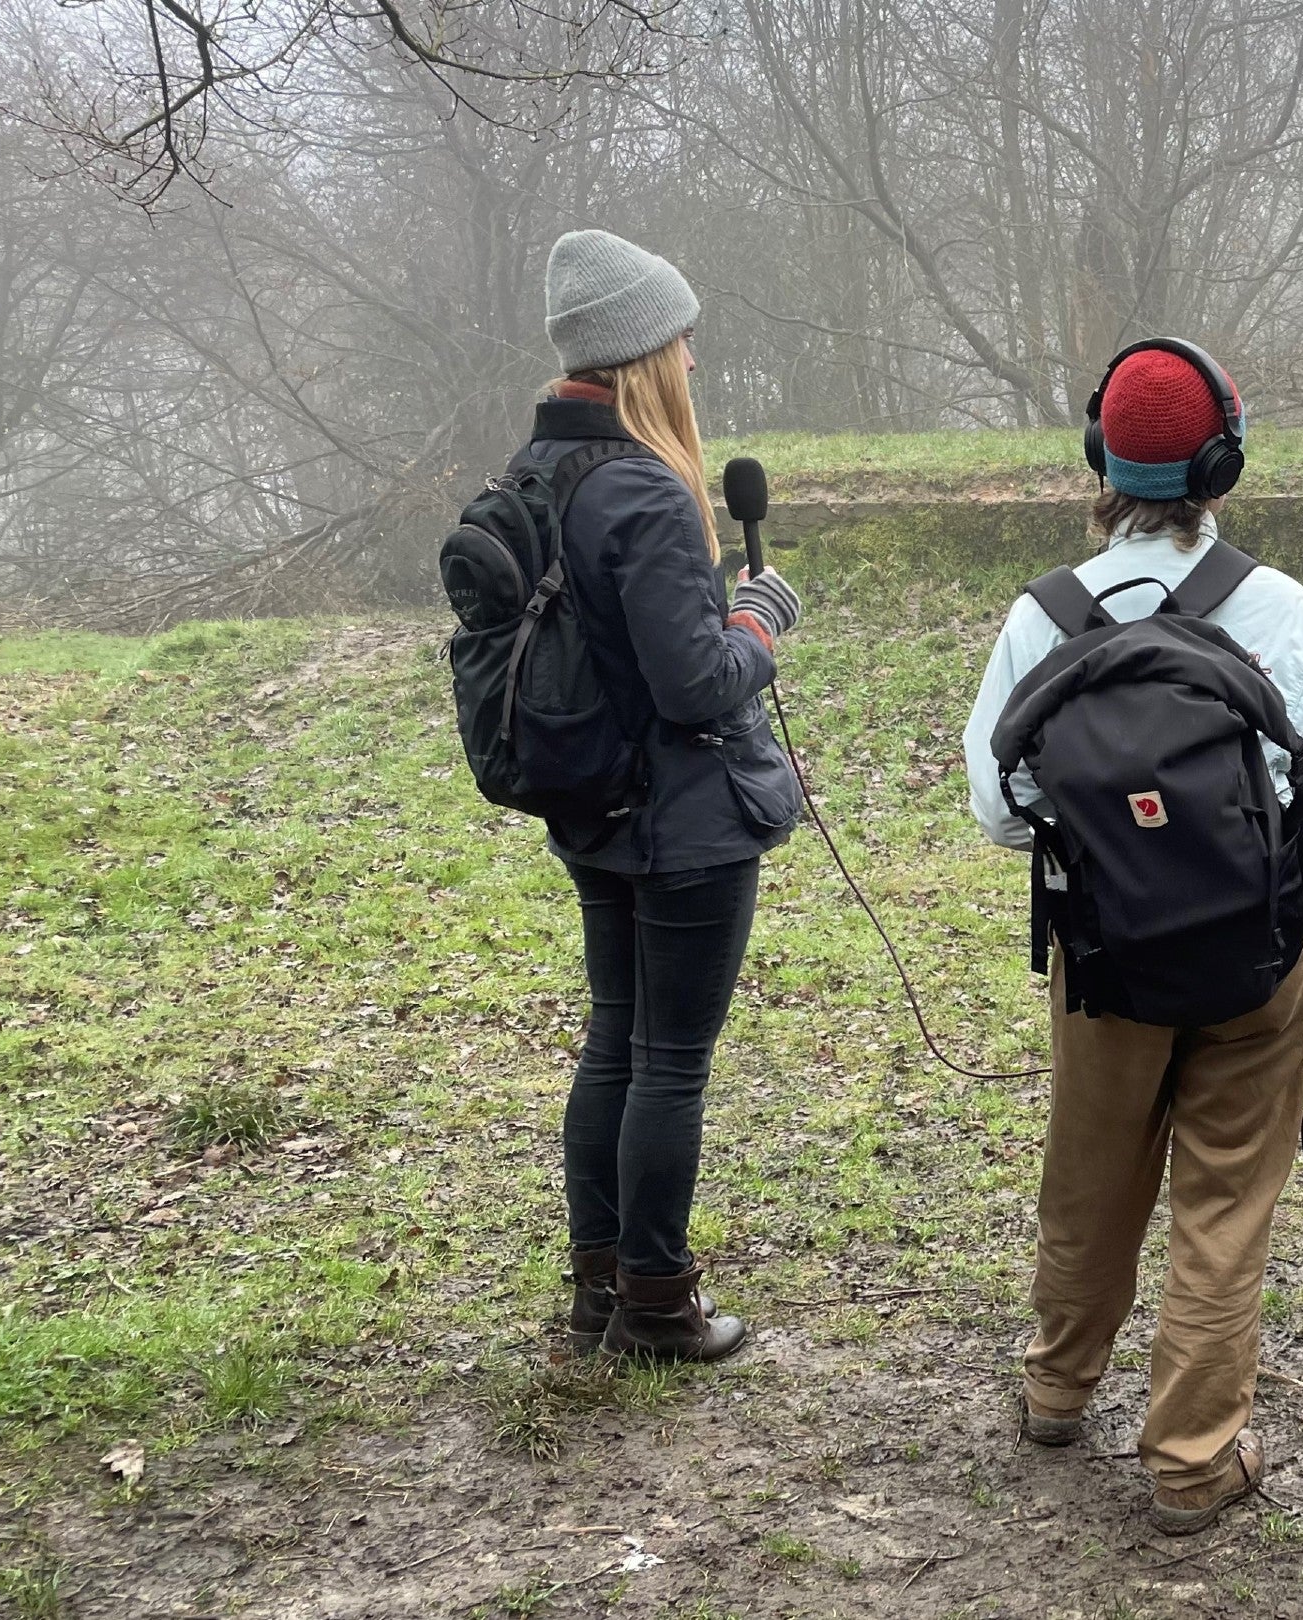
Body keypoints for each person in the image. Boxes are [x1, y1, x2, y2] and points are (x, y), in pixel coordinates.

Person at [960, 341, 1303, 1534]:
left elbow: (998, 809)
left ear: (1102, 459)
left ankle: (1056, 1387)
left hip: (1104, 956)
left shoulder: (1043, 617)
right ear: (1221, 465)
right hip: (1258, 953)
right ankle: (1193, 1461)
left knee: (1089, 1174)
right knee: (1226, 1202)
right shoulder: (1280, 609)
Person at [529, 229, 805, 1363]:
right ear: (641, 352)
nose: (693, 360)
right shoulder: (643, 487)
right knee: (669, 1061)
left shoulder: (538, 473)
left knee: (615, 1039)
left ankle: (600, 1289)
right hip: (682, 823)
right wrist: (760, 621)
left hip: (592, 807)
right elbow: (695, 683)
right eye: (681, 340)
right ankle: (655, 1300)